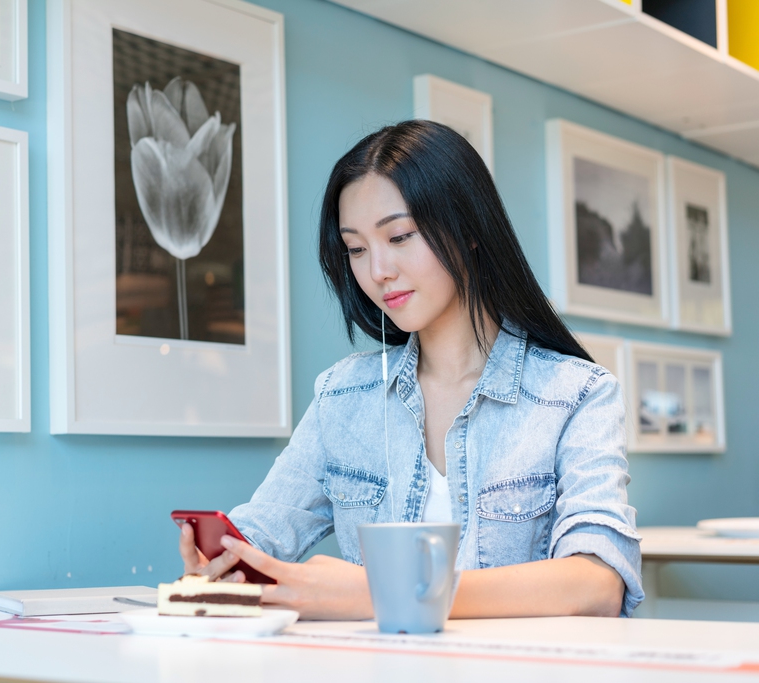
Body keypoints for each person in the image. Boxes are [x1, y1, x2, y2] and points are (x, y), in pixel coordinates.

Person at [178, 120, 643, 621]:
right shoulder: (342, 397)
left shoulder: (577, 395)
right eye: (356, 248)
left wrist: (384, 594)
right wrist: (221, 563)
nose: (378, 270)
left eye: (399, 236)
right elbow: (257, 536)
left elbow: (598, 583)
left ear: (467, 231)